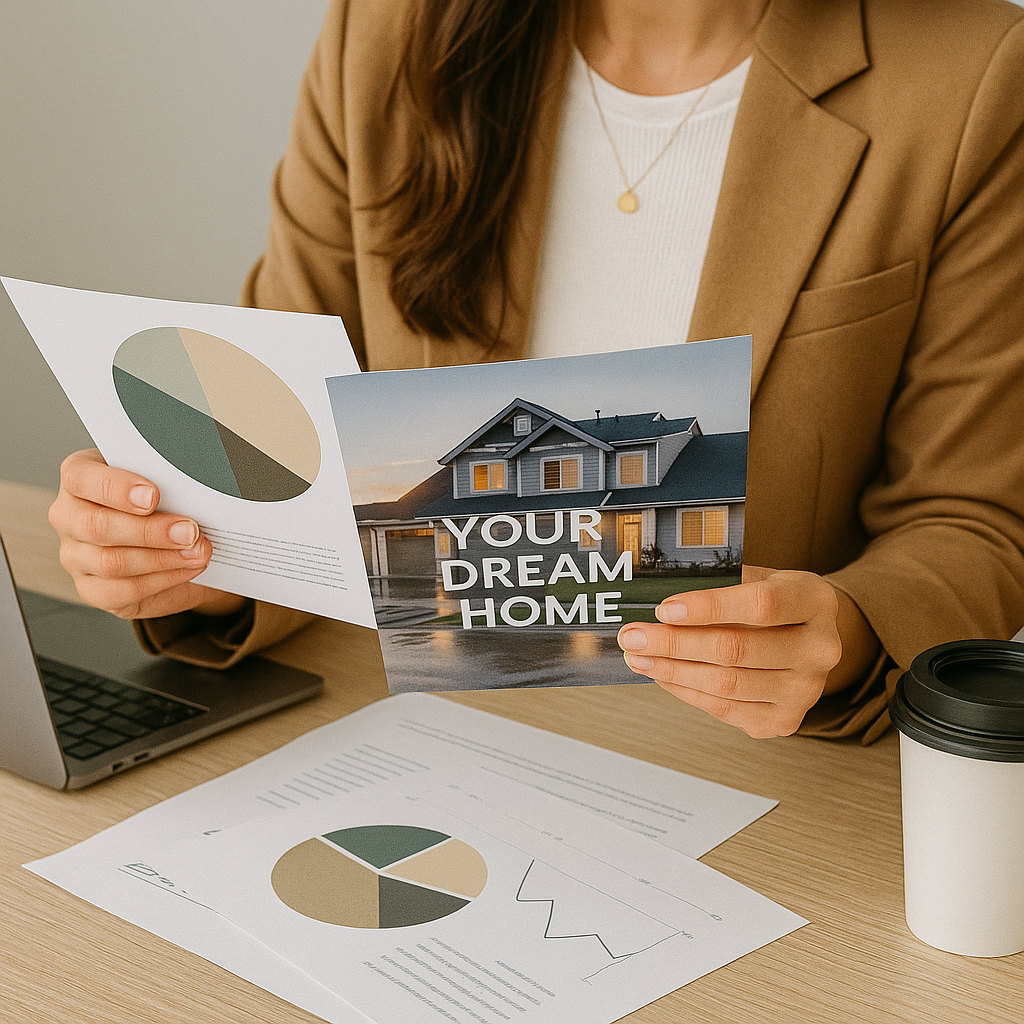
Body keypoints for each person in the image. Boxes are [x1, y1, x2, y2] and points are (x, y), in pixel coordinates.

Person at [48, 0, 1024, 742]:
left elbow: (974, 519)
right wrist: (197, 550)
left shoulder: (970, 75)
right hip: (404, 729)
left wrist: (846, 631)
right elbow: (278, 430)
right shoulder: (385, 32)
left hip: (740, 764)